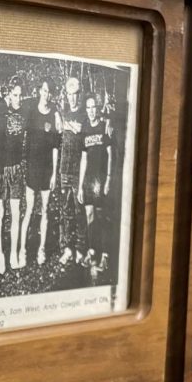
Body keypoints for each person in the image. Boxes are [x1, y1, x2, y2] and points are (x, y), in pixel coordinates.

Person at [23, 78, 60, 266]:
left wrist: (54, 173)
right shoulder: (31, 111)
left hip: (47, 171)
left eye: (49, 91)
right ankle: (22, 249)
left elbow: (55, 147)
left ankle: (41, 249)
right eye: (44, 90)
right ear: (39, 91)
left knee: (44, 209)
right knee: (29, 209)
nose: (46, 94)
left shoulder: (54, 114)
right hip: (32, 169)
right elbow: (26, 142)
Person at [0, 76, 28, 272]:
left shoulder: (24, 111)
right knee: (0, 215)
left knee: (16, 214)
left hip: (16, 169)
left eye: (20, 95)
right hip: (1, 169)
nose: (18, 98)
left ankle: (14, 253)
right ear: (8, 94)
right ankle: (0, 255)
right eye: (15, 95)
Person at [78, 94, 112, 270]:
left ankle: (105, 256)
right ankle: (92, 253)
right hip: (89, 180)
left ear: (98, 109)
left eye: (94, 108)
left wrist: (108, 178)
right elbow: (84, 158)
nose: (91, 111)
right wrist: (79, 186)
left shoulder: (104, 126)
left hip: (101, 179)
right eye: (88, 107)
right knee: (89, 216)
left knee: (101, 217)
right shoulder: (85, 126)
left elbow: (110, 153)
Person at [58, 76, 86, 265]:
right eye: (70, 95)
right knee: (66, 210)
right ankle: (67, 248)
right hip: (64, 170)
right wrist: (67, 124)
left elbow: (79, 128)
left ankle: (80, 248)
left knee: (79, 210)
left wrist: (67, 125)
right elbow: (58, 129)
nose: (73, 98)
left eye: (76, 95)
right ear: (66, 95)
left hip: (78, 171)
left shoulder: (83, 114)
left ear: (79, 95)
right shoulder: (64, 112)